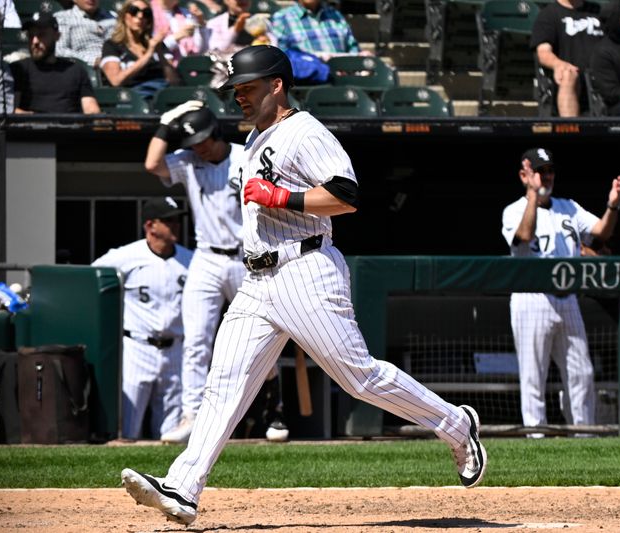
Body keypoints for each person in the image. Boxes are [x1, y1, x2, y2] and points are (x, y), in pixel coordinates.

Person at [121, 45, 487, 526]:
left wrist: (283, 196)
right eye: (235, 91)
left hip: (305, 270)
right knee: (224, 385)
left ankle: (457, 424)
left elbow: (346, 195)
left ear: (276, 85)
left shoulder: (304, 131)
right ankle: (184, 488)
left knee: (360, 379)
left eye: (248, 88)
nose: (240, 99)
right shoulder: (254, 138)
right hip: (257, 279)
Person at [144, 101, 288, 444]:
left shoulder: (246, 155)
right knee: (195, 341)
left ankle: (275, 413)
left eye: (204, 140)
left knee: (261, 339)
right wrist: (166, 122)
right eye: (194, 143)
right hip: (206, 258)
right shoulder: (188, 162)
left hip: (247, 257)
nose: (200, 148)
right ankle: (191, 414)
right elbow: (151, 163)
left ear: (216, 133)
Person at [502, 148, 620, 436]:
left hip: (566, 298)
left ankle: (583, 435)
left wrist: (613, 206)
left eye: (549, 170)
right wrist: (533, 195)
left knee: (581, 372)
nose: (546, 176)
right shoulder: (513, 210)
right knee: (534, 377)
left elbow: (601, 232)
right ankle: (536, 437)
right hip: (531, 298)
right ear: (524, 175)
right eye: (539, 171)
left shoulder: (568, 206)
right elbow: (524, 236)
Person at [92, 197, 193, 439]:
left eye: (177, 220)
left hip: (176, 348)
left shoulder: (191, 259)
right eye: (168, 221)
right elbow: (89, 278)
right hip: (138, 347)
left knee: (171, 433)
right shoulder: (124, 257)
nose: (176, 225)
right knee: (128, 427)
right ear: (150, 226)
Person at [11, 12, 100, 114]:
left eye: (41, 35)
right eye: (31, 36)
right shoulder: (18, 69)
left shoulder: (75, 71)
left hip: (70, 128)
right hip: (29, 127)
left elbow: (90, 108)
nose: (35, 41)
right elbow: (9, 109)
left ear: (57, 36)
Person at [531, 0, 604, 117]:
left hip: (601, 79)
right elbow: (543, 53)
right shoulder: (549, 14)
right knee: (568, 74)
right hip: (570, 81)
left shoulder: (598, 11)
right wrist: (558, 65)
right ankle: (570, 129)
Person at [100, 0, 178, 97]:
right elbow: (116, 81)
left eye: (146, 13)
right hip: (132, 98)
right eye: (134, 11)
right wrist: (148, 54)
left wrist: (160, 53)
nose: (140, 16)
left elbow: (174, 81)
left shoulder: (156, 44)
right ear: (124, 16)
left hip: (161, 95)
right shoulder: (112, 45)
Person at [271, 0, 368, 62]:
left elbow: (353, 47)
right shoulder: (282, 18)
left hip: (343, 77)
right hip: (307, 80)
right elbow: (281, 58)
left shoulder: (336, 15)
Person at [55, 0, 117, 67]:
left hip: (117, 63)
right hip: (85, 68)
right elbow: (60, 50)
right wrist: (93, 60)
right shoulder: (63, 18)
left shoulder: (113, 16)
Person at [151, 0, 210, 66]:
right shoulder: (149, 13)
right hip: (162, 67)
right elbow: (152, 49)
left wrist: (200, 23)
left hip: (190, 65)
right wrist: (176, 37)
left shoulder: (185, 13)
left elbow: (202, 48)